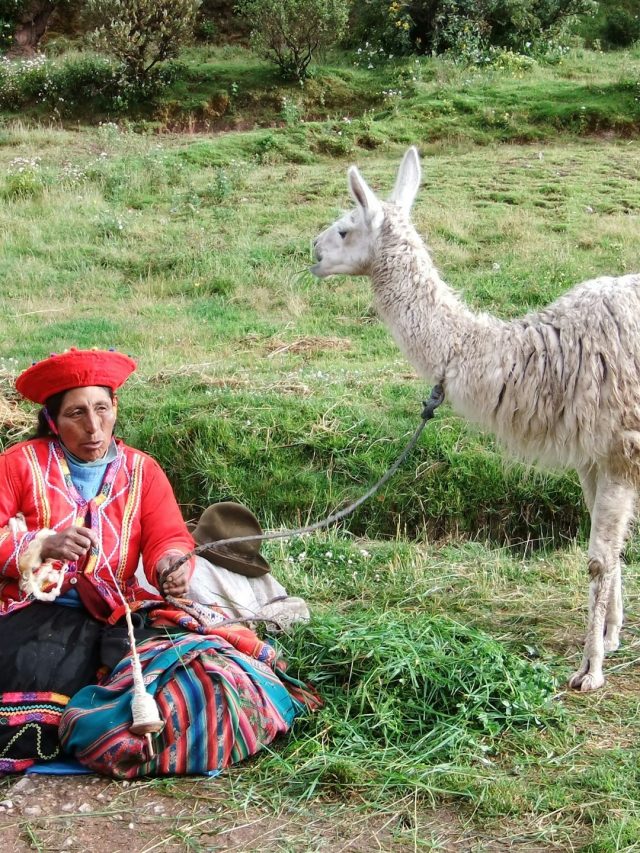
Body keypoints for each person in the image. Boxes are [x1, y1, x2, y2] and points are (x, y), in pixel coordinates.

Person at [0, 348, 317, 777]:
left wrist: (171, 565)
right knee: (38, 677)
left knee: (197, 668)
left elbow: (167, 535)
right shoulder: (20, 464)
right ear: (54, 421)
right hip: (33, 612)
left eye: (101, 409)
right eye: (76, 414)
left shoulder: (141, 471)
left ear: (116, 408)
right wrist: (41, 545)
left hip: (117, 613)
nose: (93, 428)